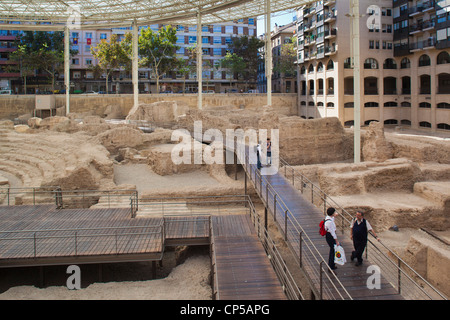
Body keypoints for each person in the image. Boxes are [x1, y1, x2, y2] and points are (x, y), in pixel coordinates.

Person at [324, 207, 340, 271]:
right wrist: (336, 241)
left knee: (332, 250)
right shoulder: (330, 222)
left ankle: (332, 265)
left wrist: (334, 216)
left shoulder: (328, 218)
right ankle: (331, 266)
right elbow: (333, 233)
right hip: (330, 236)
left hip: (328, 235)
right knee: (332, 250)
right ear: (332, 213)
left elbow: (332, 219)